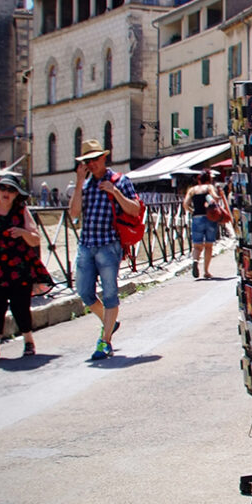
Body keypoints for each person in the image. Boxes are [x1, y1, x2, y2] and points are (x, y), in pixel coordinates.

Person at [0, 172, 53, 366]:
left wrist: (22, 232)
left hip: (18, 268)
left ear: (16, 195)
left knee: (20, 306)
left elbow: (35, 238)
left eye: (11, 190)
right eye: (3, 189)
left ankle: (28, 341)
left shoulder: (21, 212)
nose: (6, 192)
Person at [68, 138, 140, 360]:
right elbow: (73, 214)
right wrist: (79, 182)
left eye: (94, 160)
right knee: (84, 291)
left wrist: (115, 193)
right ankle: (110, 323)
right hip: (86, 245)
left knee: (110, 294)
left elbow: (135, 210)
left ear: (103, 158)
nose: (91, 164)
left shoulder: (120, 180)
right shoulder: (86, 185)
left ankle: (105, 341)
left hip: (109, 245)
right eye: (86, 161)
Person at [183, 171, 223, 279]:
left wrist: (192, 211)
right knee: (208, 245)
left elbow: (185, 204)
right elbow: (215, 198)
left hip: (197, 218)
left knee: (197, 246)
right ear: (209, 179)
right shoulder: (209, 187)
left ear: (199, 180)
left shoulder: (192, 190)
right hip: (209, 217)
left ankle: (195, 261)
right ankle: (206, 271)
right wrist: (220, 194)